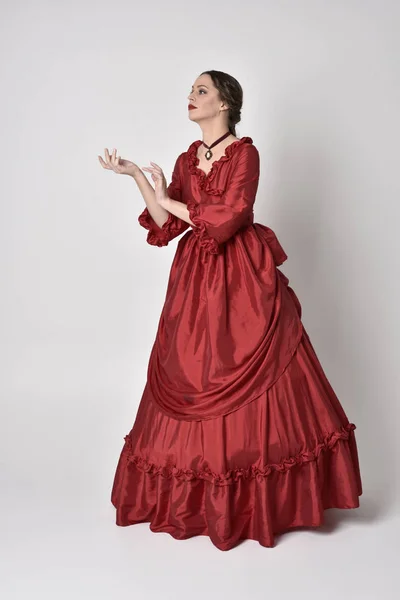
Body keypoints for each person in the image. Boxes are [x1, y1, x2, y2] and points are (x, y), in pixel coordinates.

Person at [98, 70, 362, 551]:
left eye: (201, 91)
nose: (191, 98)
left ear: (225, 104)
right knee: (190, 367)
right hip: (194, 280)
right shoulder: (185, 158)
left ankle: (260, 500)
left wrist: (169, 201)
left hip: (241, 276)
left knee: (251, 366)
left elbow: (230, 215)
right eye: (191, 92)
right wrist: (138, 177)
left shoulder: (245, 153)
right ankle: (200, 497)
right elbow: (165, 223)